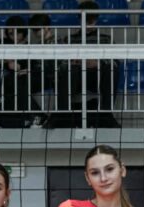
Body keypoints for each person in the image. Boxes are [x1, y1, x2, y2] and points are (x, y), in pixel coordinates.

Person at [49, 0, 118, 128]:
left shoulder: (106, 39)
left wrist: (98, 63)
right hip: (76, 77)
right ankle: (61, 114)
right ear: (79, 19)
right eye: (85, 21)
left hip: (96, 77)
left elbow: (115, 62)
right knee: (68, 69)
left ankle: (106, 114)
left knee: (110, 69)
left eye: (91, 21)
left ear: (96, 20)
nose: (88, 24)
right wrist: (75, 62)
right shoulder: (69, 39)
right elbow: (61, 63)